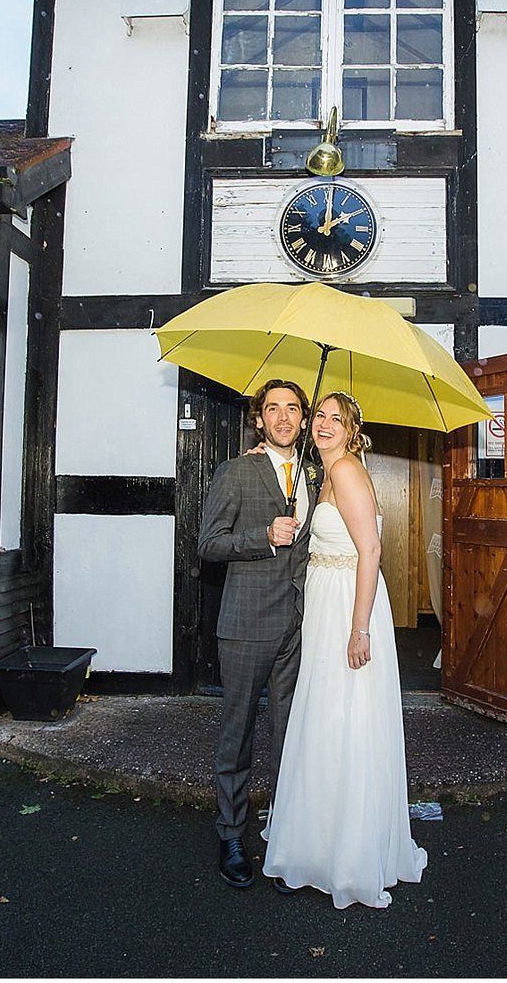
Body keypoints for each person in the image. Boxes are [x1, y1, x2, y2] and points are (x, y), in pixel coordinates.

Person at [262, 391, 427, 908]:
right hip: (326, 604)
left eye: (338, 419)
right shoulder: (324, 470)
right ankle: (319, 838)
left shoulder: (348, 470)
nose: (325, 425)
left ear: (353, 430)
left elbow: (371, 550)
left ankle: (348, 853)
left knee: (343, 717)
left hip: (347, 609)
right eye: (321, 417)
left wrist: (359, 628)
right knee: (323, 717)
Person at [197, 378, 314, 888]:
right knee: (238, 735)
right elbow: (209, 543)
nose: (283, 417)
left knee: (291, 732)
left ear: (304, 420)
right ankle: (230, 834)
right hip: (245, 625)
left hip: (298, 625)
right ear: (259, 419)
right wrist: (262, 537)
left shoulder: (314, 471)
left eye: (293, 408)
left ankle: (285, 827)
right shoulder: (235, 471)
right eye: (273, 408)